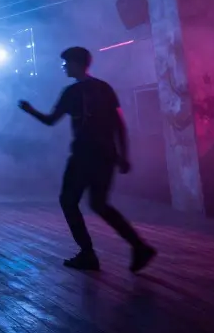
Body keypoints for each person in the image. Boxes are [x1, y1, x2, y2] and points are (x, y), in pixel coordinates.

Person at [18, 46, 156, 273]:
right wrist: (123, 155)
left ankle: (88, 254)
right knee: (99, 204)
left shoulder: (71, 92)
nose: (63, 67)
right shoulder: (104, 88)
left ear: (76, 64)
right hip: (106, 155)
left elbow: (51, 121)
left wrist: (29, 110)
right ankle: (139, 246)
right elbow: (119, 124)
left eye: (66, 63)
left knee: (68, 201)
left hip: (83, 155)